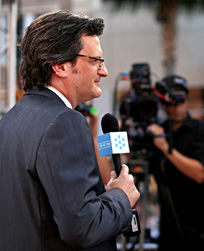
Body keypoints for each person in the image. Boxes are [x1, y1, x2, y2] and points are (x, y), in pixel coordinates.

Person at [0, 10, 140, 250]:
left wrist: (103, 199)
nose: (104, 71)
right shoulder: (65, 122)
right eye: (95, 61)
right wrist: (121, 197)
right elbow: (83, 228)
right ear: (60, 66)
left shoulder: (10, 120)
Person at [147, 75, 204, 250]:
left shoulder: (201, 131)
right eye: (172, 101)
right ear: (163, 104)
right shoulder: (158, 132)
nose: (178, 106)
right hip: (169, 232)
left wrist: (166, 148)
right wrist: (102, 139)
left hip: (201, 231)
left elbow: (200, 173)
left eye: (182, 100)